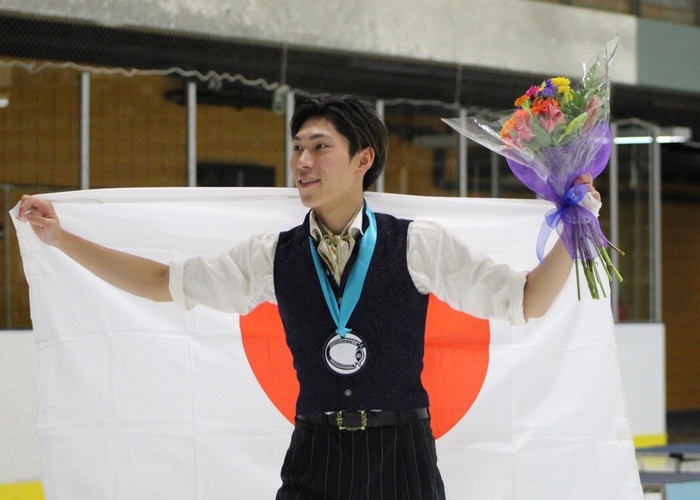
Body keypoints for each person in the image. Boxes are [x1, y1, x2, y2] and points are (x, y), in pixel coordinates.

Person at [18, 95, 600, 499]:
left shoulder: (417, 245)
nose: (302, 162)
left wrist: (578, 228)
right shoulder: (272, 256)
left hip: (401, 456)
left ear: (363, 159)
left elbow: (526, 299)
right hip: (315, 453)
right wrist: (62, 239)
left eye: (319, 147)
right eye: (298, 147)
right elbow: (160, 283)